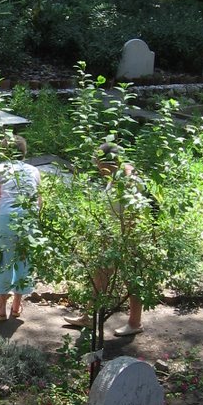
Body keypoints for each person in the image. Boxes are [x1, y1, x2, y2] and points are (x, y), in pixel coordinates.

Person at [63, 142, 146, 336]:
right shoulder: (114, 177)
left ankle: (135, 323)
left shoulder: (131, 180)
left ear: (113, 161)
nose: (100, 170)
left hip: (127, 239)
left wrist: (124, 241)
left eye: (102, 166)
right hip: (111, 236)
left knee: (131, 279)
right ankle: (89, 318)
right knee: (99, 275)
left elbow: (136, 213)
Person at [0, 134, 41, 321]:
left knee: (4, 260)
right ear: (24, 152)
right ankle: (17, 306)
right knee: (24, 259)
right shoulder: (34, 171)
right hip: (29, 217)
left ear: (5, 152)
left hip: (6, 216)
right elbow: (39, 198)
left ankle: (0, 309)